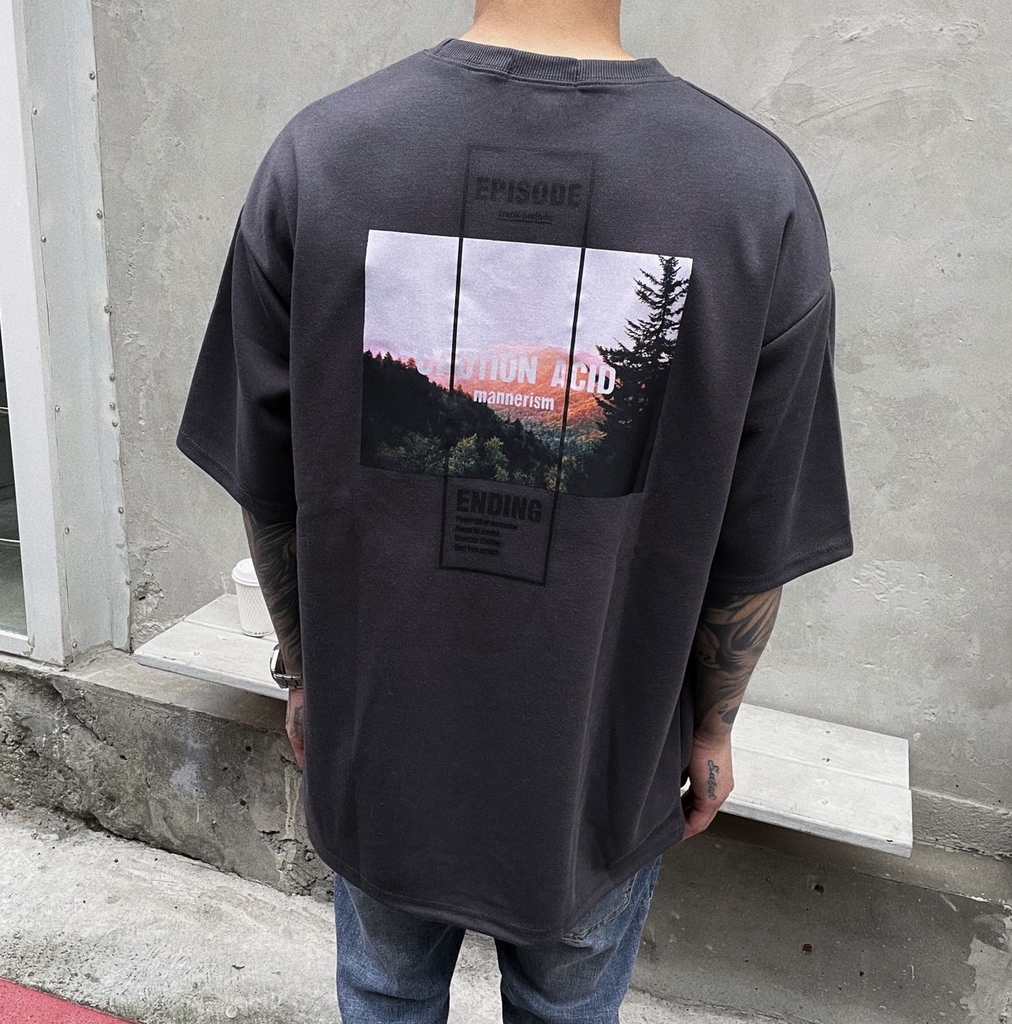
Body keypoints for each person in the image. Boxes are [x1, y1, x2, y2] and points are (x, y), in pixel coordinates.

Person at [176, 0, 853, 1019]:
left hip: (381, 749)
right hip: (602, 768)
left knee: (384, 993)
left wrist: (303, 672)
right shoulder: (756, 193)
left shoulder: (320, 157)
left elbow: (269, 488)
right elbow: (756, 539)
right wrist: (712, 728)